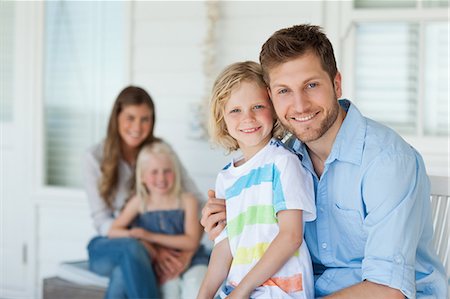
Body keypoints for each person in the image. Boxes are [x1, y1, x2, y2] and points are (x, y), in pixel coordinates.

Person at [201, 25, 447, 298]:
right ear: (271, 97)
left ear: (336, 83)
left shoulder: (387, 162)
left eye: (311, 85)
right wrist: (230, 223)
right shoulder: (281, 160)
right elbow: (262, 237)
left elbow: (389, 290)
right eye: (284, 91)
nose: (300, 105)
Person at [197, 61, 316, 299]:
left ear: (273, 109)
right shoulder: (226, 179)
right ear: (222, 118)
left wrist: (242, 291)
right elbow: (224, 248)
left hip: (281, 291)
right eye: (235, 110)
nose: (248, 118)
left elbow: (291, 236)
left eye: (258, 106)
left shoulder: (283, 163)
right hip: (239, 290)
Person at [84, 86, 203, 299]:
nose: (137, 127)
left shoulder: (159, 152)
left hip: (151, 249)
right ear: (116, 117)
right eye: (130, 117)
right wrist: (149, 247)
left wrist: (187, 253)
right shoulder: (94, 156)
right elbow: (103, 222)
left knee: (123, 273)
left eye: (145, 119)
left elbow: (199, 203)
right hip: (112, 244)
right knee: (132, 250)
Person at [108, 141, 209, 299]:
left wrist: (147, 235)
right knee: (169, 289)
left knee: (196, 287)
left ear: (175, 173)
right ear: (142, 177)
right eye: (154, 172)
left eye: (167, 171)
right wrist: (143, 242)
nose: (161, 178)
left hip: (193, 259)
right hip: (160, 265)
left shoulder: (187, 200)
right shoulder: (139, 202)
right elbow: (113, 231)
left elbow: (191, 242)